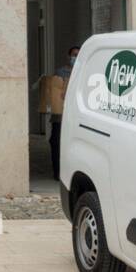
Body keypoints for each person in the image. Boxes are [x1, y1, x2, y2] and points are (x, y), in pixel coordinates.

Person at [49, 45, 80, 180]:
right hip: (60, 117)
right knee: (56, 142)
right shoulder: (61, 72)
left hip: (77, 117)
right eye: (74, 55)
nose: (75, 57)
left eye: (78, 55)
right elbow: (55, 92)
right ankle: (57, 172)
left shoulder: (85, 70)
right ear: (69, 57)